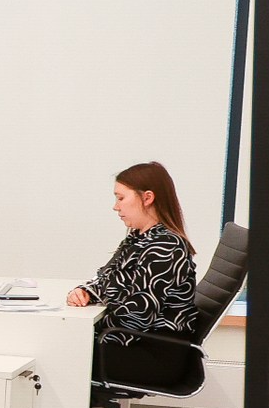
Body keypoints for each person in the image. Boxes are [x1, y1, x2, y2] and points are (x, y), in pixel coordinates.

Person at [67, 161, 200, 387]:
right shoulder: (139, 238)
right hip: (132, 343)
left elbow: (138, 314)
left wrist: (87, 330)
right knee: (60, 351)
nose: (115, 207)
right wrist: (86, 291)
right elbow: (106, 277)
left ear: (147, 198)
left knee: (60, 357)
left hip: (153, 355)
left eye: (121, 198)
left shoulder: (165, 247)